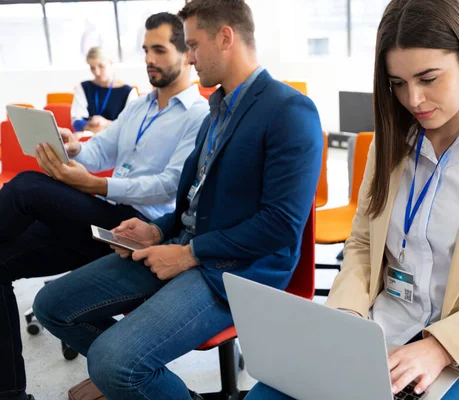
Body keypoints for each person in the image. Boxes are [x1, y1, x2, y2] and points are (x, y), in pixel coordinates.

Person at [246, 0, 459, 399]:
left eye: (428, 78)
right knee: (268, 393)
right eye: (397, 83)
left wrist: (440, 347)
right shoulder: (393, 140)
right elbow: (365, 245)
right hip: (381, 328)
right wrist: (346, 318)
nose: (413, 99)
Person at [33, 1, 323, 399]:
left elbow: (279, 225)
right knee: (52, 304)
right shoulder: (216, 112)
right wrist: (157, 229)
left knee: (113, 362)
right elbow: (194, 200)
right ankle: (134, 379)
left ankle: (124, 374)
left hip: (235, 273)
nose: (188, 57)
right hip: (184, 247)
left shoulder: (290, 110)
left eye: (193, 45)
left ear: (225, 38)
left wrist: (190, 254)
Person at [0, 12, 209, 400]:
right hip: (101, 215)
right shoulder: (140, 104)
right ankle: (10, 393)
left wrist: (96, 183)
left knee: (28, 185)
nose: (150, 58)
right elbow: (102, 149)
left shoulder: (199, 115)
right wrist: (74, 148)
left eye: (160, 49)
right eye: (146, 49)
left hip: (142, 226)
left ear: (187, 52)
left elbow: (169, 184)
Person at [71, 47, 138, 134]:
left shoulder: (128, 92)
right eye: (92, 68)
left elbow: (131, 125)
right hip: (88, 140)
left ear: (110, 62)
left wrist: (106, 124)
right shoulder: (84, 87)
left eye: (101, 66)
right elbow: (76, 120)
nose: (97, 72)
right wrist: (93, 129)